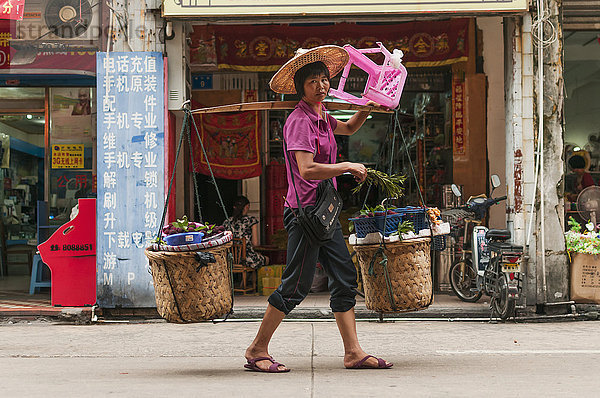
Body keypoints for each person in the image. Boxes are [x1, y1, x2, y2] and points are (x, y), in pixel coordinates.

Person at [244, 45, 393, 373]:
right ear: (301, 88)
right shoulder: (299, 120)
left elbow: (350, 128)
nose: (321, 86)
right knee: (295, 285)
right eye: (312, 81)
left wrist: (366, 108)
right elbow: (307, 169)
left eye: (324, 79)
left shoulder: (322, 115)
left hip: (323, 213)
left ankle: (353, 352)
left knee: (344, 276)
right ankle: (257, 349)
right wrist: (346, 166)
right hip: (305, 214)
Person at [223, 196, 268, 269]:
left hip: (230, 259)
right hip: (247, 258)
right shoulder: (251, 221)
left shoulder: (227, 222)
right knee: (266, 259)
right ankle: (249, 279)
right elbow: (255, 243)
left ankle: (242, 280)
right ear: (246, 207)